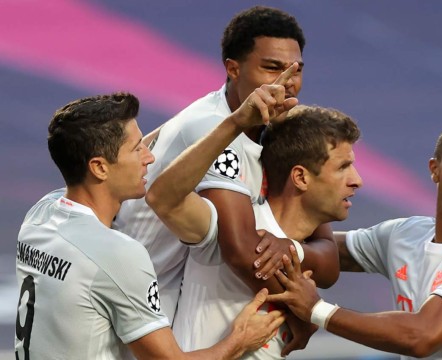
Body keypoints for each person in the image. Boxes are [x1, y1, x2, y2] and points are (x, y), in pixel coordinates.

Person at [113, 5, 337, 353]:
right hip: (144, 308)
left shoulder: (275, 125)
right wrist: (302, 313)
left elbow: (326, 251)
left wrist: (296, 253)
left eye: (296, 69)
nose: (287, 81)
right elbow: (243, 253)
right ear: (233, 69)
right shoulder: (210, 127)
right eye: (272, 67)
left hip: (184, 298)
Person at [15, 92, 284, 360]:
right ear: (99, 167)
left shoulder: (40, 215)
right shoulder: (117, 255)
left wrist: (231, 118)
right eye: (136, 149)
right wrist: (240, 340)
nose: (150, 157)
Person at [267, 120, 442, 359]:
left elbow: (421, 337)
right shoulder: (406, 235)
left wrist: (315, 310)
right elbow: (321, 252)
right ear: (435, 169)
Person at [147, 103, 362, 359]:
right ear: (301, 178)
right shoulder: (229, 230)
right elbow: (163, 198)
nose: (357, 180)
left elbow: (330, 268)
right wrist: (233, 124)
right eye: (342, 167)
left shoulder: (308, 247)